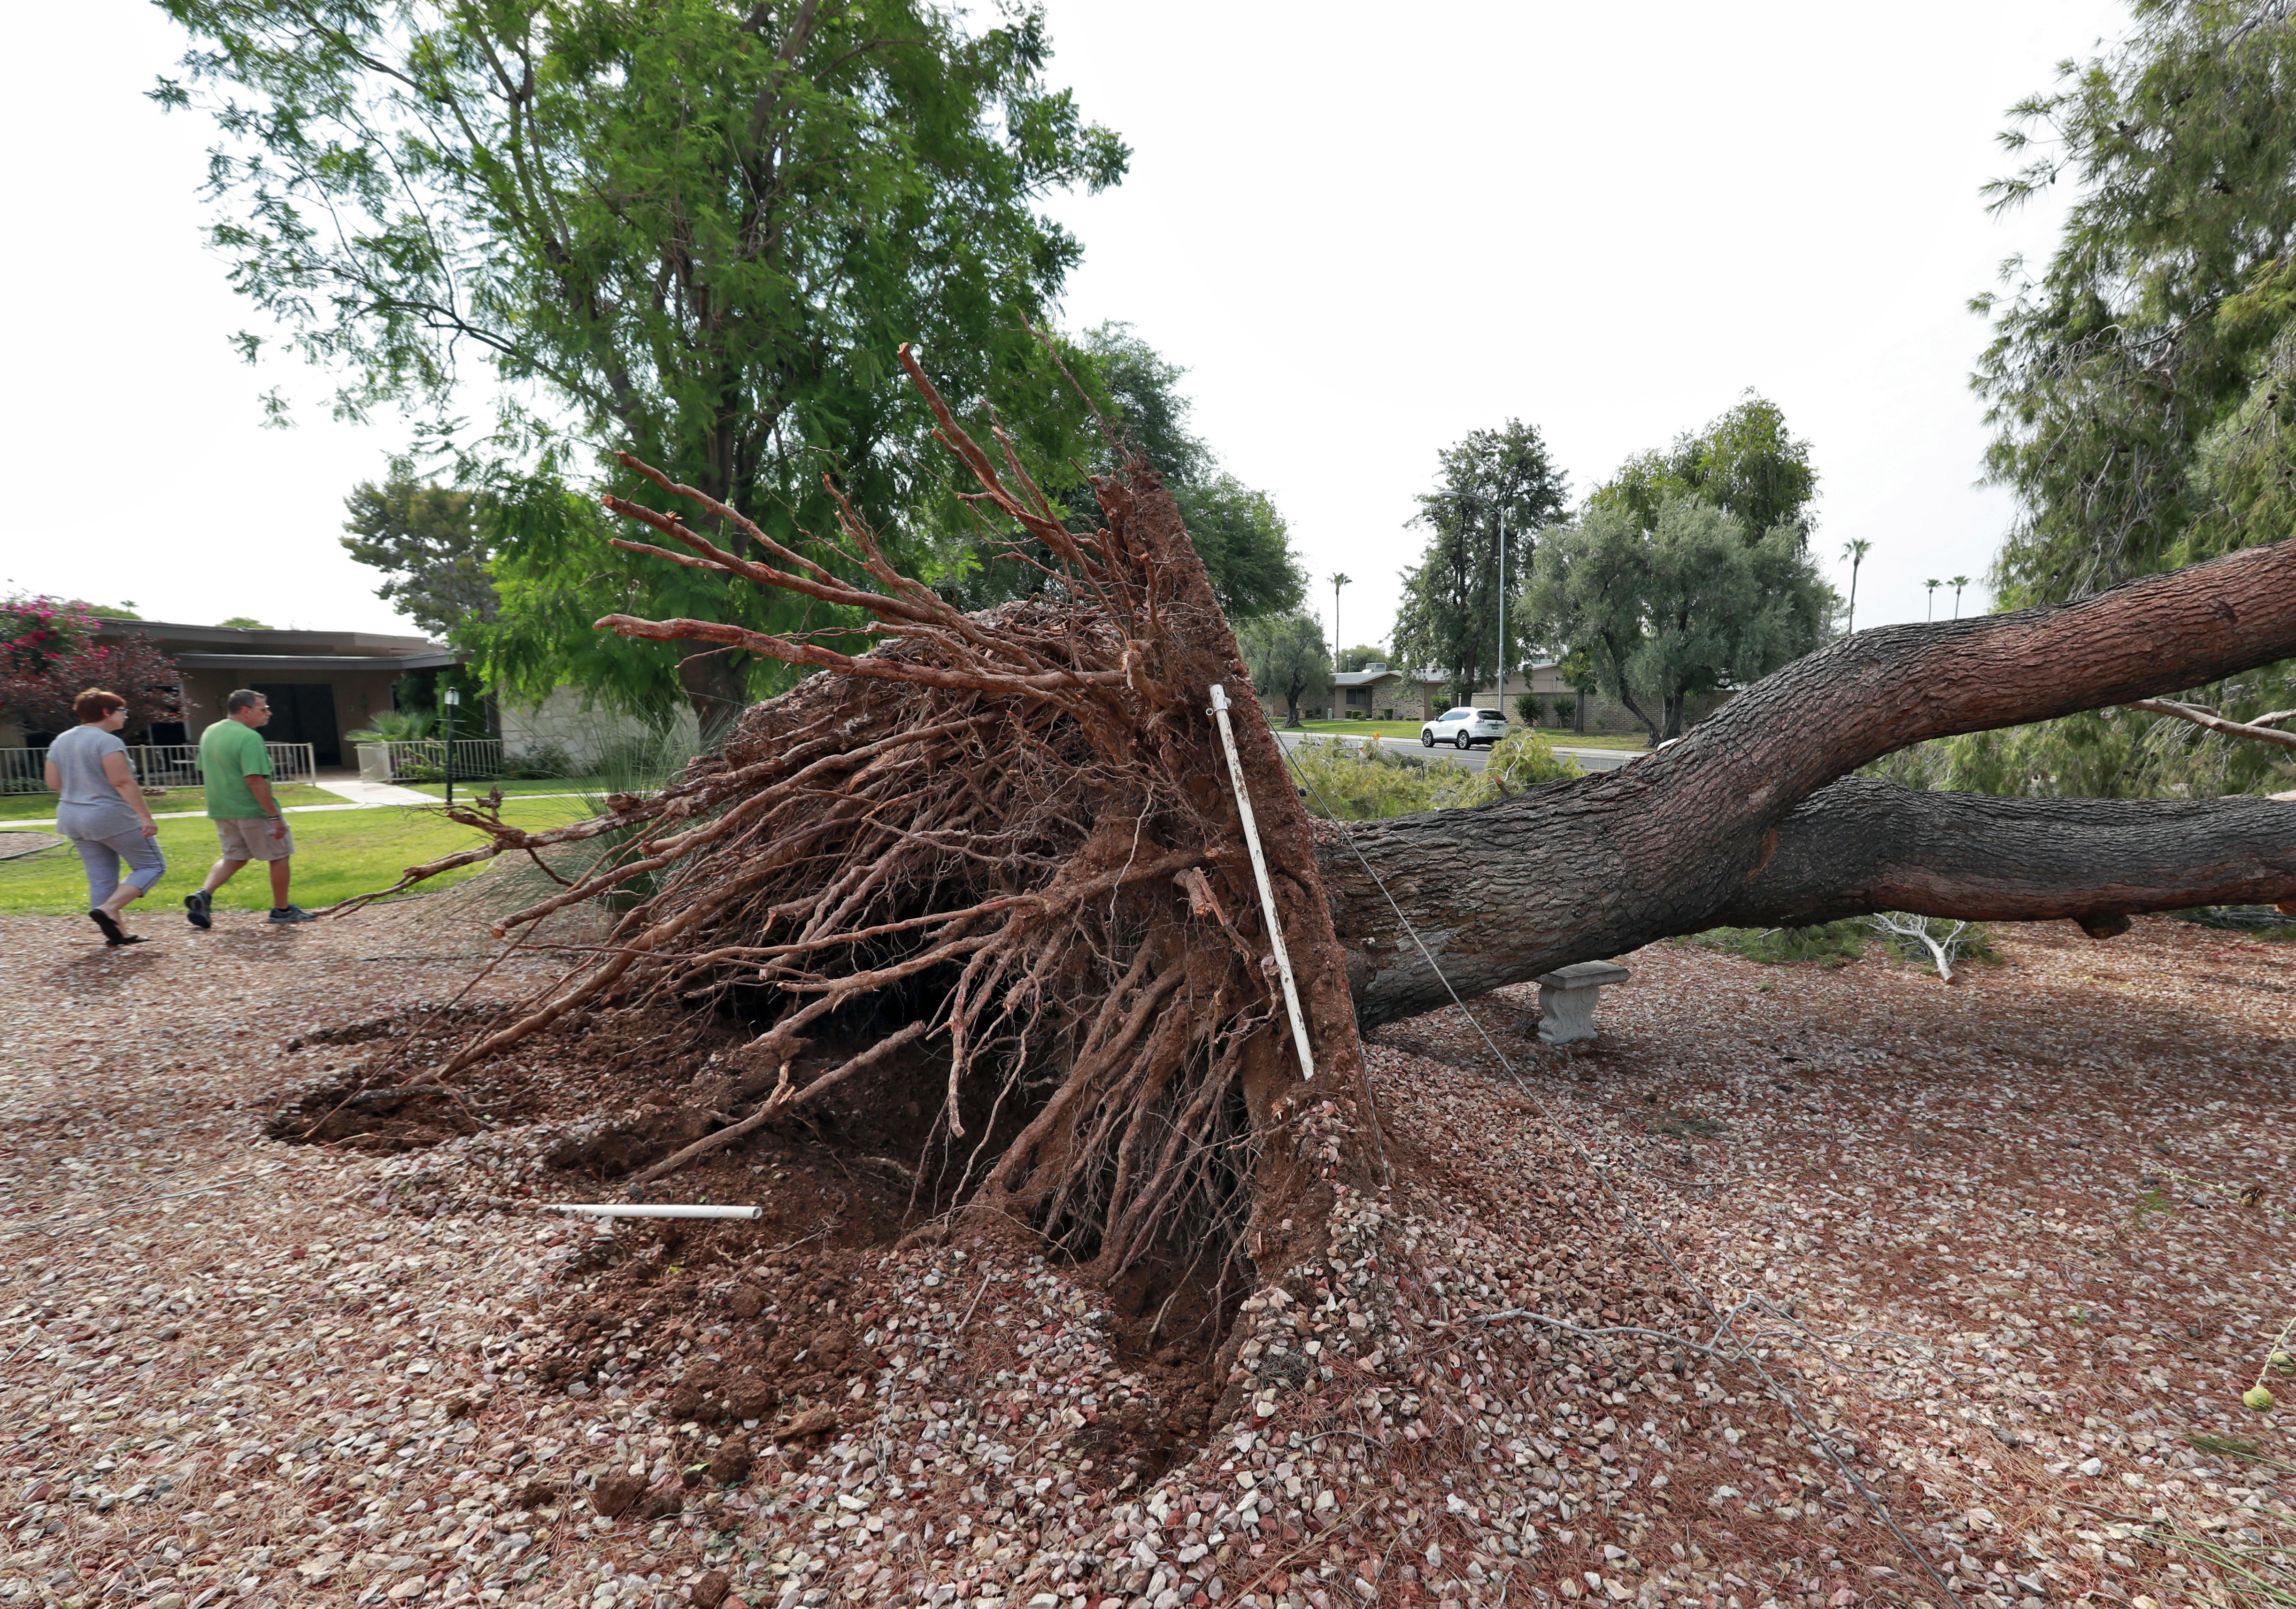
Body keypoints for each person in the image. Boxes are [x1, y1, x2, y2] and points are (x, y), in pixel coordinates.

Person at [43, 688, 165, 946]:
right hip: (108, 816)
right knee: (151, 866)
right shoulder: (107, 741)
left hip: (71, 816)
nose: (125, 717)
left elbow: (53, 782)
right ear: (106, 712)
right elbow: (121, 781)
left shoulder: (61, 740)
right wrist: (146, 817)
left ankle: (117, 933)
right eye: (123, 711)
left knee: (101, 876)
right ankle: (109, 909)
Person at [185, 688, 316, 927]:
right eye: (263, 709)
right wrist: (274, 817)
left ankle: (203, 895)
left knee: (233, 857)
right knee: (279, 855)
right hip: (252, 810)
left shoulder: (210, 732)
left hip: (222, 810)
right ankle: (282, 910)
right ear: (245, 711)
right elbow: (255, 779)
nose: (269, 713)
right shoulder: (250, 737)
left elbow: (206, 769)